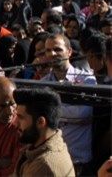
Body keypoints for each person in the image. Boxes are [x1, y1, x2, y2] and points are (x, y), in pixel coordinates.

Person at [41, 33, 96, 172]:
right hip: (51, 160)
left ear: (69, 51)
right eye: (47, 50)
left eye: (57, 49)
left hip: (77, 160)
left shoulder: (86, 79)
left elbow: (83, 113)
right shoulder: (43, 83)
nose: (52, 54)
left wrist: (49, 111)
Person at [12, 88, 74, 176]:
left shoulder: (42, 166)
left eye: (21, 117)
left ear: (41, 122)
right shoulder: (44, 147)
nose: (14, 123)